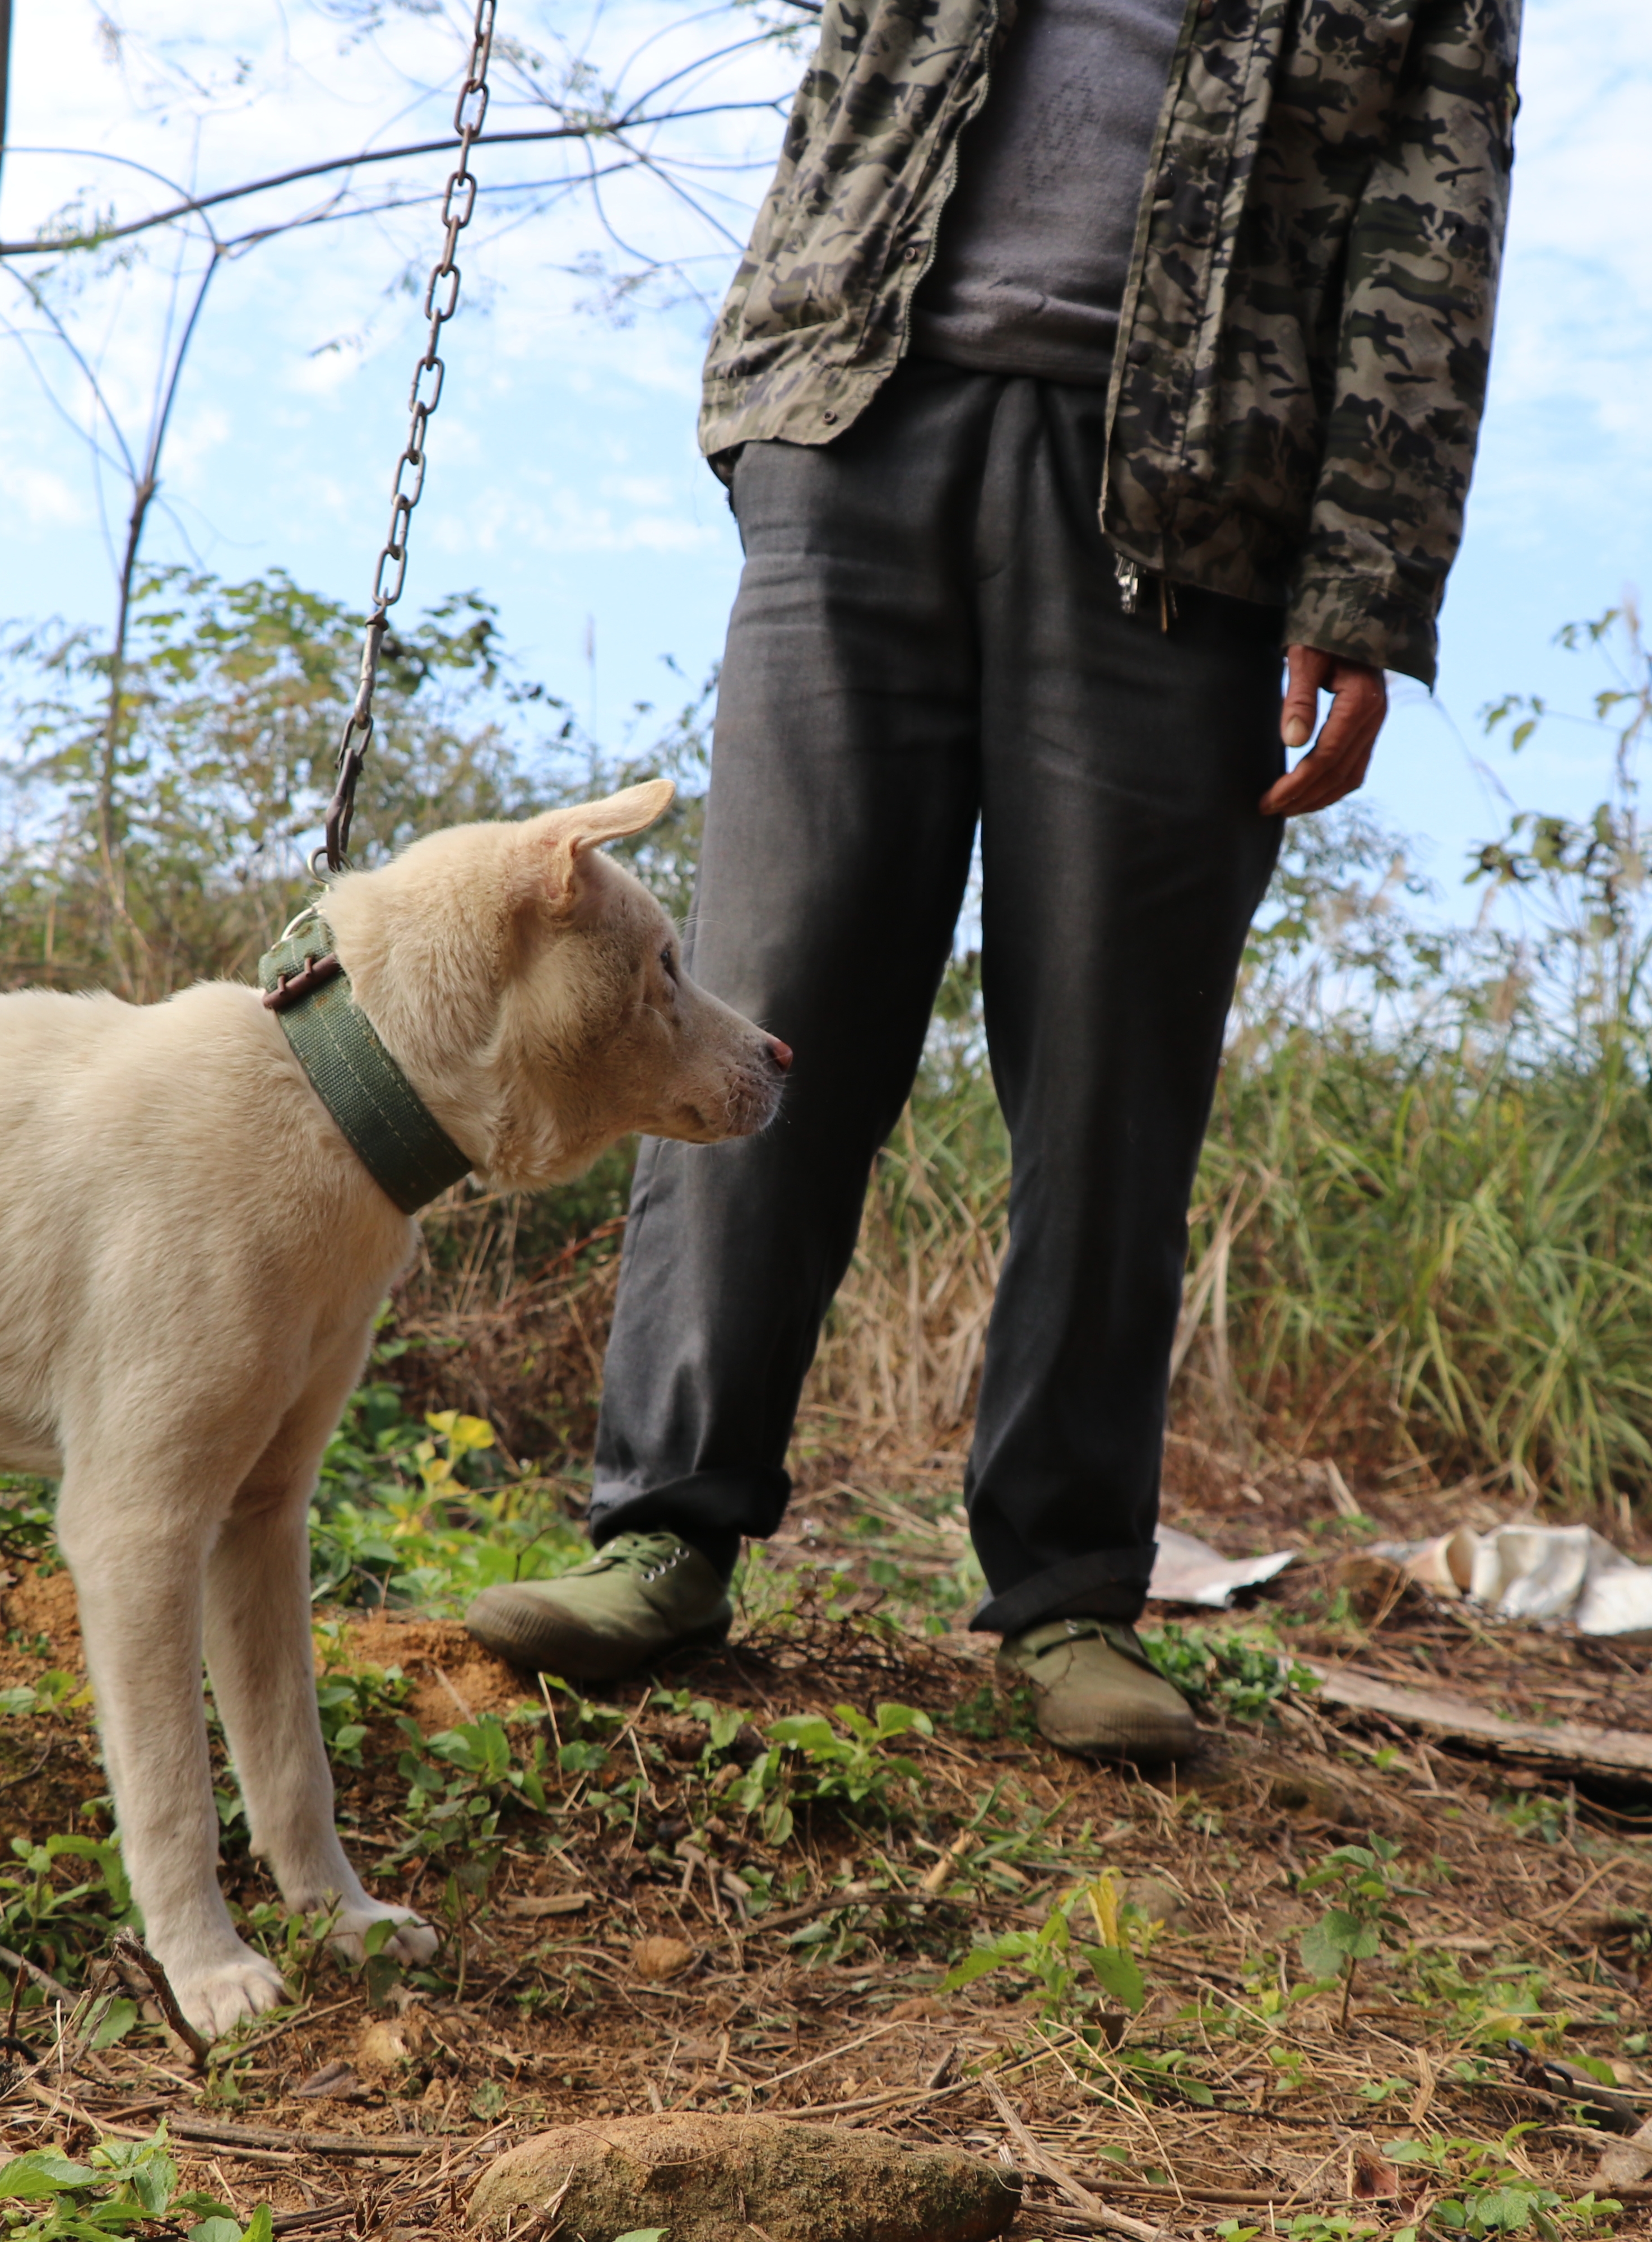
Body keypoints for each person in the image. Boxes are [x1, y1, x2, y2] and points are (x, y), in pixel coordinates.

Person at [466, 0, 1520, 1760]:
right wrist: (770, 421)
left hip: (1193, 505)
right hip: (862, 426)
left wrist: (1368, 581)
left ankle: (1070, 1597)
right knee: (765, 998)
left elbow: (1439, 223)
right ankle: (666, 1534)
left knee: (1116, 1066)